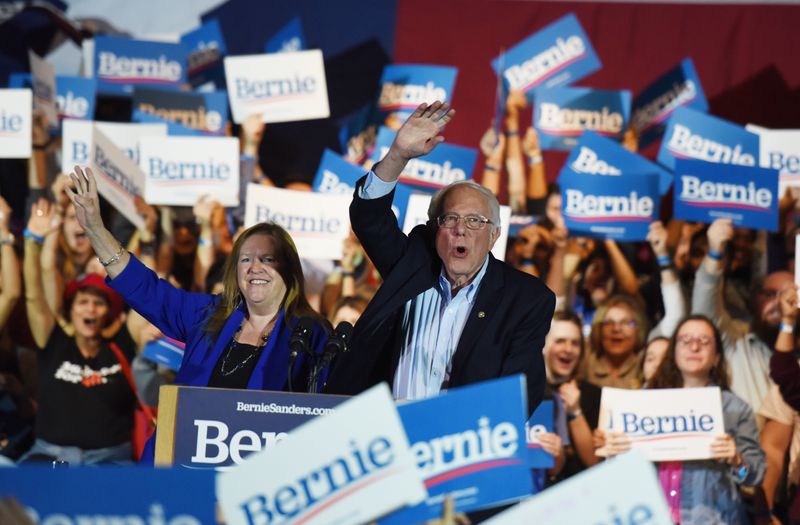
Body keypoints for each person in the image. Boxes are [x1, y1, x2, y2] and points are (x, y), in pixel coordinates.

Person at [64, 166, 328, 459]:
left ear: (290, 270)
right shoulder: (207, 314)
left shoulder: (310, 334)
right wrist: (95, 229)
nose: (255, 268)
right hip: (179, 465)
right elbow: (145, 288)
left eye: (268, 259)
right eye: (246, 259)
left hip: (251, 477)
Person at [325, 101, 555, 414]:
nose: (461, 230)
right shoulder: (412, 265)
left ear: (495, 235)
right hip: (388, 438)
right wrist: (398, 155)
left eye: (475, 221)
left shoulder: (525, 298)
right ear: (435, 229)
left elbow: (519, 396)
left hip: (459, 446)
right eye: (450, 219)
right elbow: (368, 217)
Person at [599, 315, 766, 524]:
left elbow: (754, 476)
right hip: (649, 517)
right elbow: (616, 470)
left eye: (704, 341)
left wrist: (737, 460)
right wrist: (614, 451)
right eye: (685, 340)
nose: (694, 347)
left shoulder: (735, 409)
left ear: (716, 356)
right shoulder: (643, 401)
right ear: (674, 352)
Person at [21, 198, 135, 464]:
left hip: (110, 462)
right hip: (49, 457)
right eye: (83, 302)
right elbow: (34, 295)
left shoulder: (121, 345)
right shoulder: (53, 340)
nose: (90, 310)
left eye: (99, 303)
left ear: (109, 313)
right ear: (70, 311)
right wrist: (33, 241)